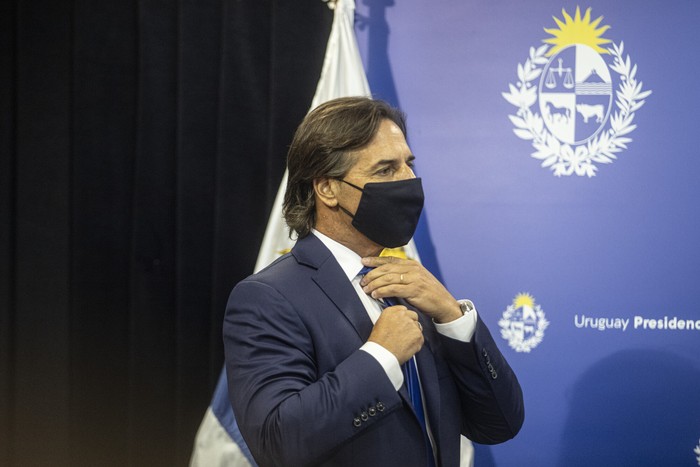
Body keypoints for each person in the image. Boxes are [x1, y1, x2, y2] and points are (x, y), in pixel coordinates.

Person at [223, 97, 524, 467]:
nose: (408, 182)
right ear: (327, 189)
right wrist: (380, 356)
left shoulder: (416, 290)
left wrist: (452, 317)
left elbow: (500, 424)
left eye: (408, 165)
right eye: (385, 170)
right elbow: (278, 443)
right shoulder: (268, 297)